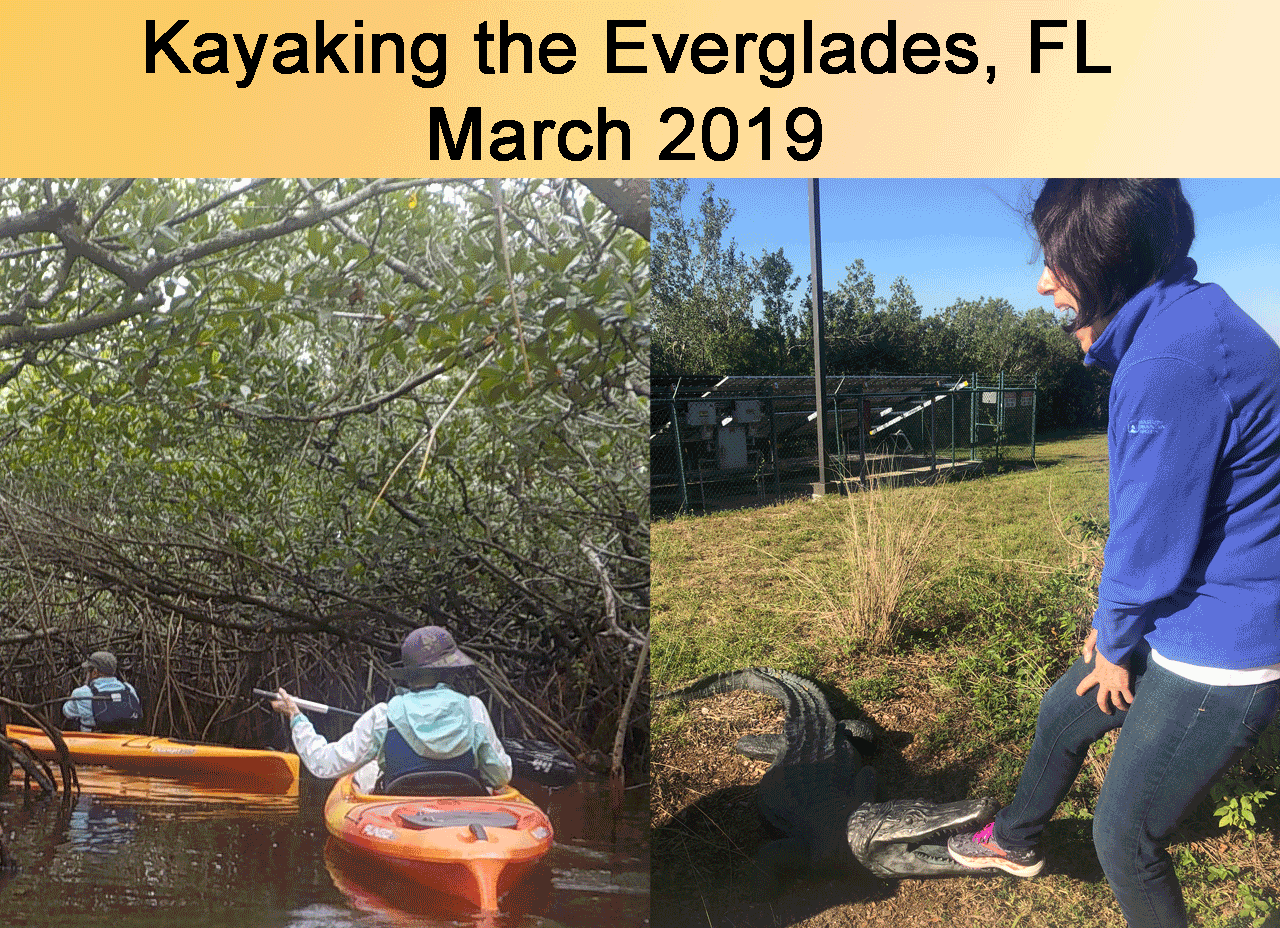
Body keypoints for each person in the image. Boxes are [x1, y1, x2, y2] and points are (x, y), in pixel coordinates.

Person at [947, 179, 1280, 928]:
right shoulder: (1188, 322)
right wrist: (1116, 629)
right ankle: (1016, 840)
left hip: (1223, 642)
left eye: (1057, 262)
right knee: (1064, 712)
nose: (1044, 284)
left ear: (1107, 262)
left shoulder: (1170, 362)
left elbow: (1148, 536)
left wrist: (1117, 637)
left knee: (1124, 838)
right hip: (1182, 602)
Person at [272, 625, 512, 793]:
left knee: (367, 769)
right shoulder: (474, 709)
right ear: (450, 672)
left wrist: (296, 717)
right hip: (462, 812)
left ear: (409, 675)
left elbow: (325, 764)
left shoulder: (383, 715)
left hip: (399, 811)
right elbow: (500, 776)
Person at [62, 650, 143, 733]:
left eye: (88, 671)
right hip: (126, 739)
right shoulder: (129, 689)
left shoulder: (82, 693)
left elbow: (67, 712)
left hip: (93, 740)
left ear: (95, 672)